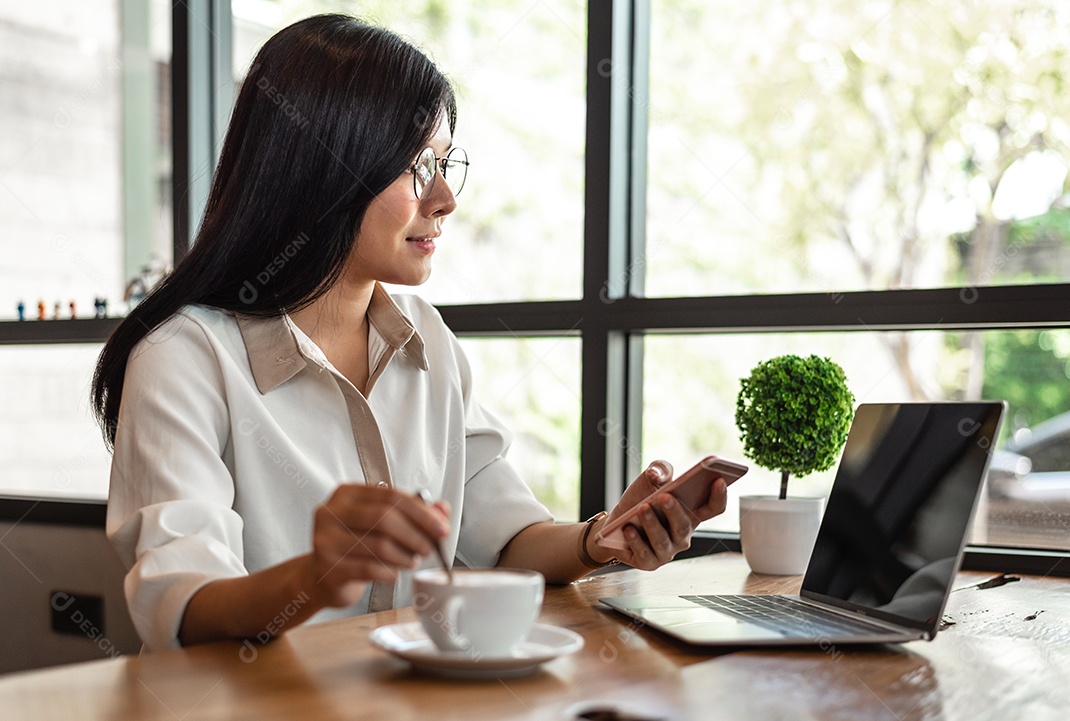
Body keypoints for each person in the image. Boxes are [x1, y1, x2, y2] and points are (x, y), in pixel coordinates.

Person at [92, 14, 729, 652]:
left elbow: (505, 538)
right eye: (418, 167)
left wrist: (600, 539)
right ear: (321, 169)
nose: (447, 197)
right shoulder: (183, 356)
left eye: (448, 163)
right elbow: (183, 607)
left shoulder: (426, 338)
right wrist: (317, 576)